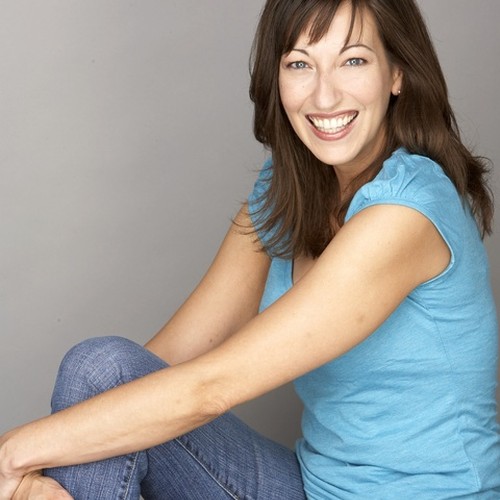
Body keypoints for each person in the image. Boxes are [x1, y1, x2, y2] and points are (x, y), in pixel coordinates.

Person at [1, 0, 499, 498]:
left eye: (353, 60)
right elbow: (157, 367)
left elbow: (210, 388)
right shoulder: (285, 190)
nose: (324, 95)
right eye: (300, 64)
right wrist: (43, 472)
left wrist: (14, 455)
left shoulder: (407, 213)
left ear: (397, 73)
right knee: (101, 373)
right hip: (314, 490)